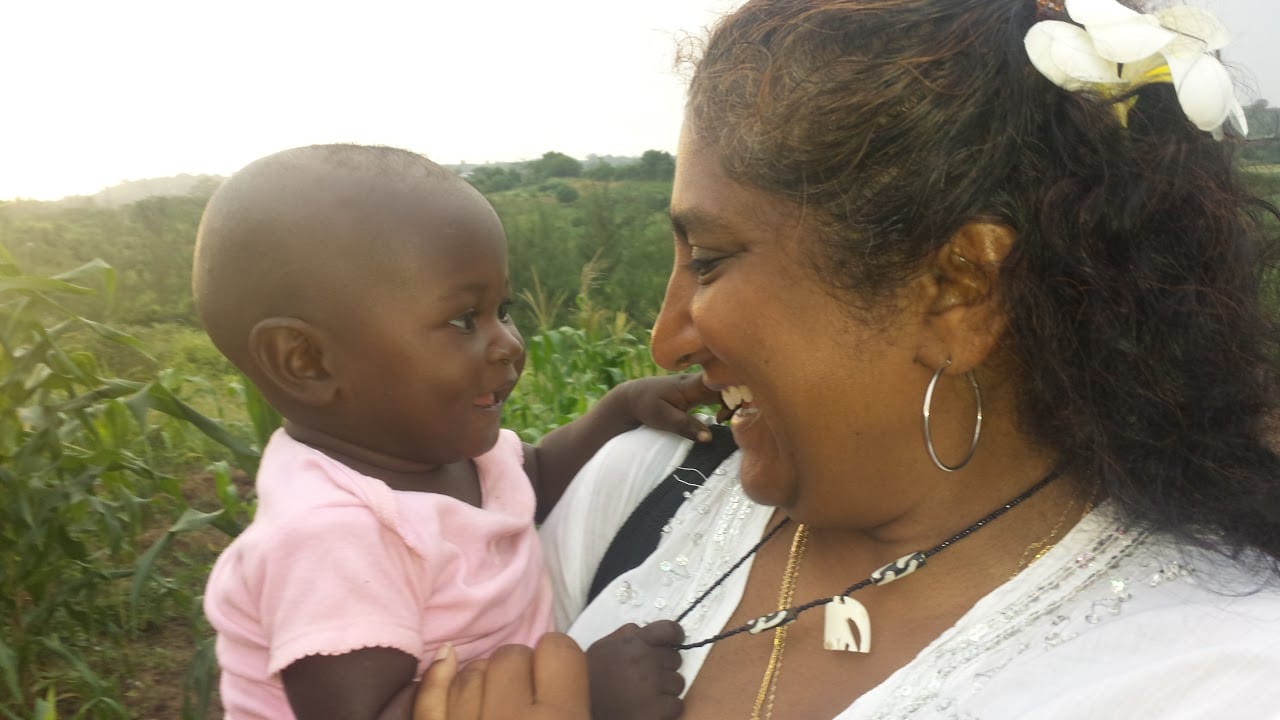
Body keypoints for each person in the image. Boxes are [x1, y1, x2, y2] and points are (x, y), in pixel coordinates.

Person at [422, 0, 1280, 718]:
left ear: (961, 288)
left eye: (711, 259)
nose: (667, 337)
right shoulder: (634, 492)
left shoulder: (1215, 680)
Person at [194, 143, 716, 720]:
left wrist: (619, 409)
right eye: (464, 319)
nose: (510, 344)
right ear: (306, 361)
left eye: (504, 310)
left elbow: (532, 478)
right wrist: (584, 695)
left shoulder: (432, 457)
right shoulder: (332, 536)